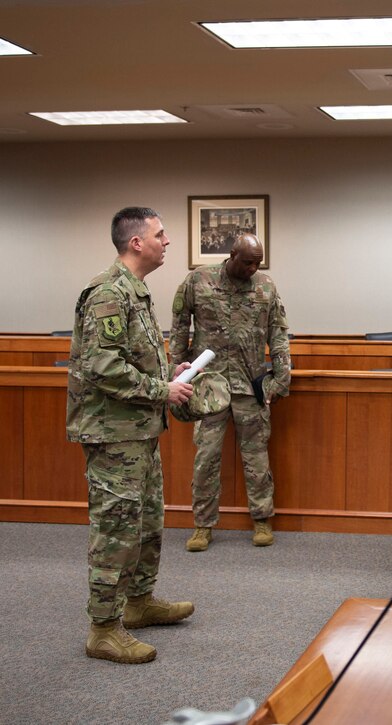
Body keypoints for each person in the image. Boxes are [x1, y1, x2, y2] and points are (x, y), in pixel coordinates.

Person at [67, 207, 196, 664]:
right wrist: (163, 390)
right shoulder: (108, 292)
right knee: (116, 528)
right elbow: (102, 367)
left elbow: (130, 358)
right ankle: (103, 629)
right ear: (137, 242)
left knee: (146, 523)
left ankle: (138, 603)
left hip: (138, 430)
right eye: (160, 234)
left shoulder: (135, 291)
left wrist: (169, 374)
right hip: (112, 435)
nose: (167, 241)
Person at [171, 233, 291, 551]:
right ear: (233, 254)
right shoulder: (198, 280)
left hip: (250, 384)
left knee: (256, 457)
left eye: (257, 263)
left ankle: (262, 519)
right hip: (208, 386)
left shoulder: (266, 287)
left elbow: (279, 334)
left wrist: (281, 380)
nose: (253, 268)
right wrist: (176, 372)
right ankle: (202, 525)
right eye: (248, 262)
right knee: (206, 457)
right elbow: (180, 326)